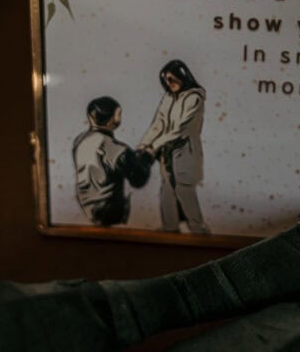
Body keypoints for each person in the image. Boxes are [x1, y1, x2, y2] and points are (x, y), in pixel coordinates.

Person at [139, 59, 209, 234]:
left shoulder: (194, 98)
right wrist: (143, 145)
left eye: (172, 79)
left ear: (182, 76)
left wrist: (153, 146)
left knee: (184, 190)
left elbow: (180, 130)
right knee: (167, 190)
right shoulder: (168, 97)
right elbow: (158, 124)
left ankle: (198, 229)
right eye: (166, 80)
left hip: (185, 150)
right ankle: (170, 228)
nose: (169, 84)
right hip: (167, 151)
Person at [73, 96, 151, 226]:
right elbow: (138, 180)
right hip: (109, 212)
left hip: (87, 206)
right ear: (113, 120)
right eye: (119, 114)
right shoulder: (117, 149)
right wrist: (147, 156)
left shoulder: (79, 140)